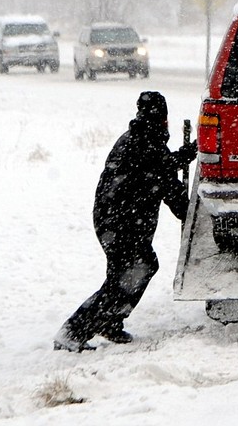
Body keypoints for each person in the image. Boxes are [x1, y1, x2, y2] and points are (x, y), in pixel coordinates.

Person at [54, 91, 197, 352]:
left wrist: (183, 156)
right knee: (132, 272)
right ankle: (73, 331)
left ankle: (110, 322)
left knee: (130, 271)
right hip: (123, 224)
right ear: (164, 119)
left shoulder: (135, 138)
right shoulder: (150, 147)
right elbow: (171, 191)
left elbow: (157, 168)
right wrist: (194, 217)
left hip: (112, 220)